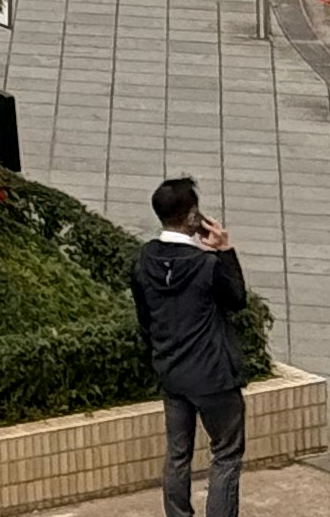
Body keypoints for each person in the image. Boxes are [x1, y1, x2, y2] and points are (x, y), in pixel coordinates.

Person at [131, 176, 249, 517]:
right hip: (213, 376)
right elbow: (237, 299)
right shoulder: (206, 264)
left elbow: (145, 321)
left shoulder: (144, 260)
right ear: (193, 216)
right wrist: (225, 250)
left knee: (178, 453)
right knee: (226, 453)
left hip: (172, 373)